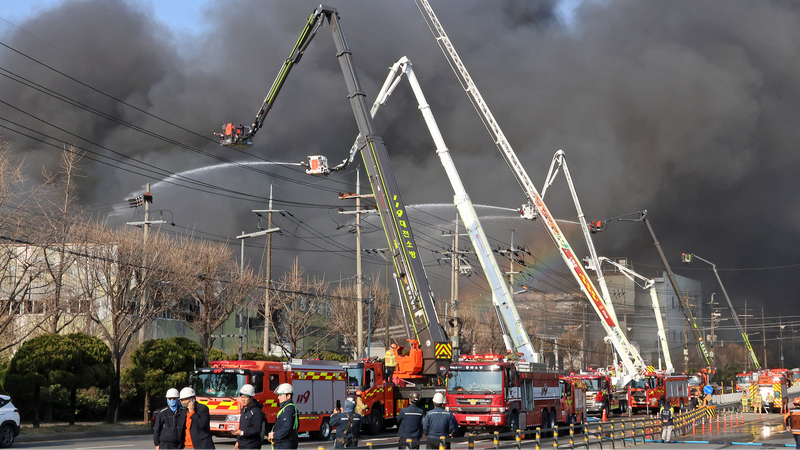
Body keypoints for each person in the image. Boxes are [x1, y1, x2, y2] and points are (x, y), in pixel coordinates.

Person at [268, 383, 299, 450]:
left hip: (285, 444)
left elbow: (286, 427)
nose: (278, 397)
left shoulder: (288, 409)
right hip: (284, 443)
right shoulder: (287, 408)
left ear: (288, 396)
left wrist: (274, 435)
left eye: (281, 395)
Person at [235, 384, 265, 450]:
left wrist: (242, 433)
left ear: (251, 397)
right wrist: (238, 441)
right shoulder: (244, 409)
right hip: (243, 444)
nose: (243, 399)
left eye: (245, 397)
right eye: (242, 397)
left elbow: (256, 430)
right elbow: (242, 427)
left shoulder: (257, 411)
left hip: (252, 445)